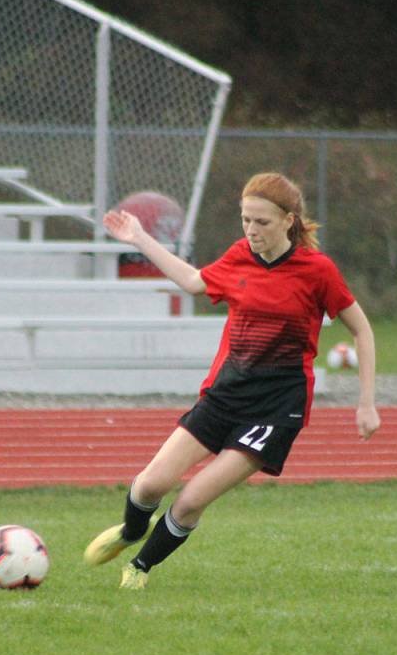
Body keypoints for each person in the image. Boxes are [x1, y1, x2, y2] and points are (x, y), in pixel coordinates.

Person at [84, 172, 381, 589]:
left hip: (276, 410)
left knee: (189, 501)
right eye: (246, 220)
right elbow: (192, 281)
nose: (251, 230)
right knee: (152, 483)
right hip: (225, 395)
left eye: (261, 222)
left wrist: (366, 402)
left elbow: (362, 331)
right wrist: (139, 238)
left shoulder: (317, 271)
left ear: (288, 221)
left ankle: (139, 568)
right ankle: (132, 530)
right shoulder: (239, 256)